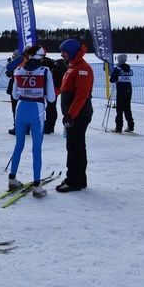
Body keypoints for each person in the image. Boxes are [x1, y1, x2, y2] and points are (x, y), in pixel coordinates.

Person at [7, 45, 56, 198]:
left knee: (18, 145)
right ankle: (36, 186)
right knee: (36, 149)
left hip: (21, 110)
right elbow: (51, 98)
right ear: (40, 57)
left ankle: (12, 178)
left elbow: (15, 95)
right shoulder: (45, 71)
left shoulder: (19, 70)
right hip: (37, 111)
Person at [56, 38, 94, 192]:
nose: (62, 55)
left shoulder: (83, 68)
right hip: (73, 114)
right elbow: (65, 89)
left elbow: (81, 95)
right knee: (76, 146)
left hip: (79, 115)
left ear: (71, 52)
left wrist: (71, 115)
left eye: (64, 52)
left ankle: (73, 180)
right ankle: (79, 179)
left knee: (74, 148)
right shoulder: (72, 66)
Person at [110, 53, 134, 132]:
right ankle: (130, 126)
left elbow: (112, 79)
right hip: (129, 90)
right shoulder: (129, 68)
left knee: (119, 109)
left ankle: (118, 127)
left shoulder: (118, 68)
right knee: (127, 108)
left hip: (121, 91)